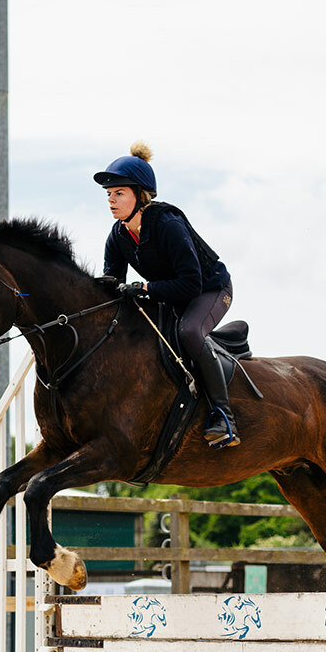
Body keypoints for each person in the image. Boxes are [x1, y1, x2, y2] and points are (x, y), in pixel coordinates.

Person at [94, 142, 240, 447]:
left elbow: (190, 285)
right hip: (174, 293)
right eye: (109, 194)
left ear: (140, 195)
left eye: (119, 193)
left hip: (210, 289)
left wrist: (145, 288)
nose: (111, 200)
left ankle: (223, 416)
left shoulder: (167, 224)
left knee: (188, 332)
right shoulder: (118, 235)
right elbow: (112, 287)